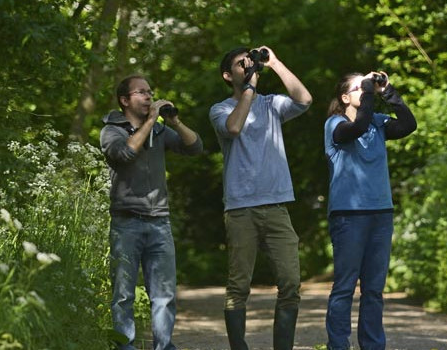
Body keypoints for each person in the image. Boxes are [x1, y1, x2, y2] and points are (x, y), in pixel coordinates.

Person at [209, 46, 312, 350]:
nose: (250, 67)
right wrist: (250, 89)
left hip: (276, 206)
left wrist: (275, 62)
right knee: (239, 286)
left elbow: (304, 100)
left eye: (251, 62)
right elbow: (234, 127)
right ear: (228, 76)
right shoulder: (220, 108)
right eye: (242, 65)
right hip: (240, 208)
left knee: (291, 283)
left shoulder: (272, 105)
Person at [101, 75, 204, 350]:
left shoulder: (159, 131)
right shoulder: (111, 129)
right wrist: (151, 122)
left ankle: (164, 346)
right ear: (125, 100)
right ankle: (126, 346)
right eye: (141, 93)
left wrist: (174, 122)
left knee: (164, 295)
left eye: (150, 92)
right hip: (126, 222)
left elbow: (195, 147)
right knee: (123, 294)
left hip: (159, 221)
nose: (149, 97)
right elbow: (124, 154)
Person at [323, 72, 416, 350]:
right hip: (348, 215)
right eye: (358, 88)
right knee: (344, 287)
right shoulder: (335, 124)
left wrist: (387, 91)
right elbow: (358, 127)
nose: (364, 92)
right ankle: (338, 345)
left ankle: (373, 345)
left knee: (374, 290)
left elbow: (409, 125)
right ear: (344, 97)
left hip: (381, 213)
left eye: (366, 87)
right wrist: (369, 93)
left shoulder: (377, 122)